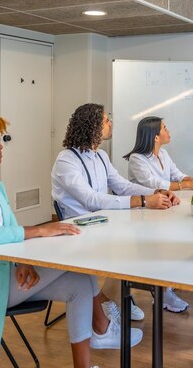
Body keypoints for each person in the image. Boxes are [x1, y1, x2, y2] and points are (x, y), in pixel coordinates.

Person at [0, 106, 131, 368]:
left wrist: (23, 262)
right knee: (75, 260)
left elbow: (10, 232)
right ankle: (103, 330)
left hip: (5, 274)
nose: (0, 145)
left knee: (81, 282)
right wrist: (38, 230)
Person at [52, 104, 180, 322]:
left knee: (146, 237)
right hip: (79, 228)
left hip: (103, 222)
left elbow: (122, 185)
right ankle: (107, 297)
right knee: (131, 247)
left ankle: (115, 295)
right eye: (105, 120)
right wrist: (142, 201)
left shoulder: (100, 155)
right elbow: (90, 199)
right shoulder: (67, 160)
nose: (110, 123)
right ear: (92, 126)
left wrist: (157, 192)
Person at [124, 116, 193, 313]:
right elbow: (155, 184)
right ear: (155, 136)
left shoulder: (164, 154)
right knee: (167, 242)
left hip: (163, 210)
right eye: (165, 128)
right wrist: (187, 185)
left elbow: (177, 175)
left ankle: (168, 285)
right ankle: (163, 292)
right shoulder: (137, 159)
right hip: (142, 216)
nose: (168, 131)